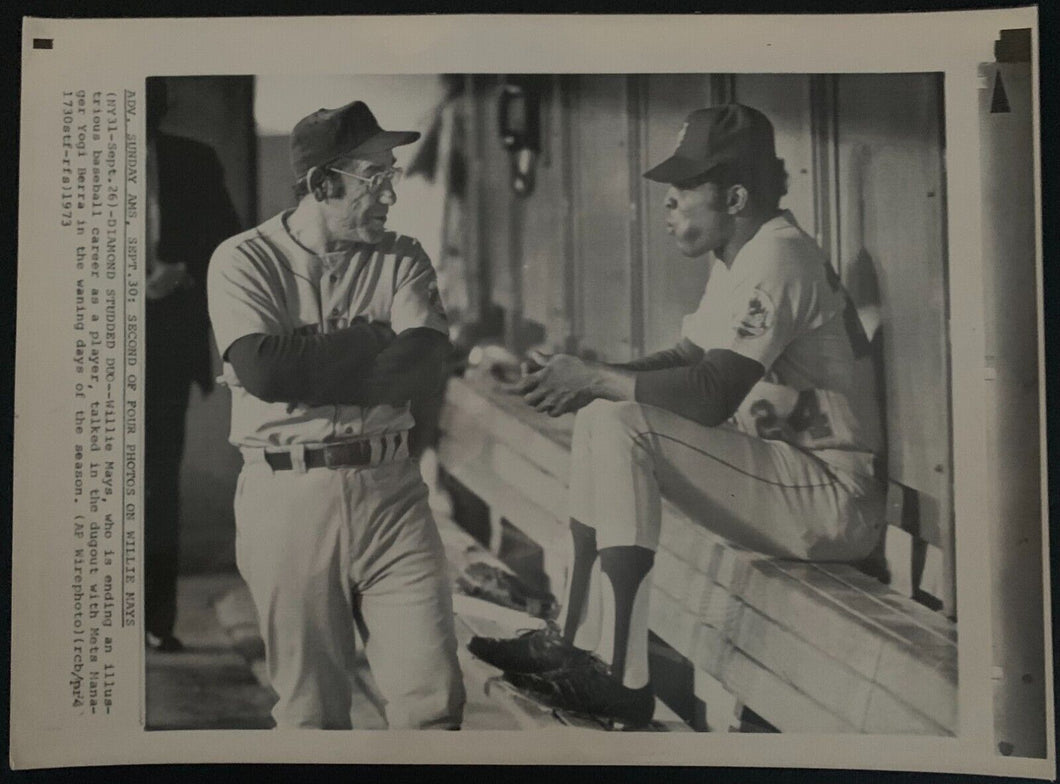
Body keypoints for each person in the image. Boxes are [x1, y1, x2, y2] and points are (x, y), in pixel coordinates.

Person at [468, 104, 886, 728]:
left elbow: (712, 392)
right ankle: (577, 642)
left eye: (686, 188)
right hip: (786, 476)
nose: (670, 203)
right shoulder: (746, 254)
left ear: (736, 196)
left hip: (832, 494)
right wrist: (580, 377)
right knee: (606, 410)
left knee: (618, 415)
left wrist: (600, 381)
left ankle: (622, 678)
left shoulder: (780, 256)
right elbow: (689, 358)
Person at [207, 100, 465, 729]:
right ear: (325, 184)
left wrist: (308, 364)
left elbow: (424, 367)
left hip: (392, 493)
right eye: (375, 177)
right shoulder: (244, 259)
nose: (389, 196)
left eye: (392, 174)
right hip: (289, 496)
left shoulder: (402, 256)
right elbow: (266, 372)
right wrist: (373, 339)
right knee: (313, 715)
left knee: (433, 701)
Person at [144, 81, 241, 652]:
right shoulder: (69, 153)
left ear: (163, 105)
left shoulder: (192, 162)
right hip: (84, 351)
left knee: (158, 484)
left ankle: (157, 621)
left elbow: (228, 250)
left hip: (167, 349)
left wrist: (183, 274)